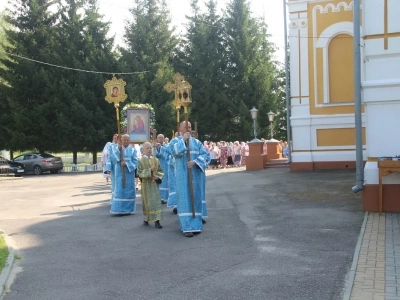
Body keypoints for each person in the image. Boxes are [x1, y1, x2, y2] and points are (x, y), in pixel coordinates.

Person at [168, 121, 210, 237]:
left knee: (195, 199)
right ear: (180, 129)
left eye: (190, 127)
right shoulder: (175, 142)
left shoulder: (197, 142)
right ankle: (186, 227)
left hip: (195, 176)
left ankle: (196, 225)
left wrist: (195, 162)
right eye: (186, 127)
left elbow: (206, 155)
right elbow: (174, 153)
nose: (189, 129)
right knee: (185, 200)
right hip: (182, 177)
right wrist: (183, 141)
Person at [105, 134, 138, 214]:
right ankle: (119, 209)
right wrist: (118, 151)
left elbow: (136, 161)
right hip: (119, 172)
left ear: (129, 141)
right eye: (124, 140)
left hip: (129, 174)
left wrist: (126, 163)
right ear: (121, 140)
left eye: (127, 140)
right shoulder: (116, 148)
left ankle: (129, 209)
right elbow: (112, 157)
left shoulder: (133, 150)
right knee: (119, 189)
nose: (126, 141)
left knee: (129, 189)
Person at [137, 142, 163, 228]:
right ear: (143, 150)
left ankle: (157, 221)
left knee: (156, 202)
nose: (149, 150)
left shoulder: (155, 160)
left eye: (150, 148)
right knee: (147, 203)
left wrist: (157, 177)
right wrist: (149, 170)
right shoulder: (140, 161)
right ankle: (146, 218)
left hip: (154, 185)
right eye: (147, 148)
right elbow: (139, 173)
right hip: (146, 185)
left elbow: (161, 171)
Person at [155, 134, 169, 204]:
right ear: (157, 139)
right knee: (157, 180)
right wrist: (156, 148)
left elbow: (165, 154)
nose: (160, 139)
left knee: (164, 181)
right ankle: (158, 197)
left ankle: (165, 197)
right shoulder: (154, 146)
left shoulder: (166, 146)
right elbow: (154, 154)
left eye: (162, 138)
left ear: (163, 139)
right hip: (157, 166)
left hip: (165, 165)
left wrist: (161, 148)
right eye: (159, 138)